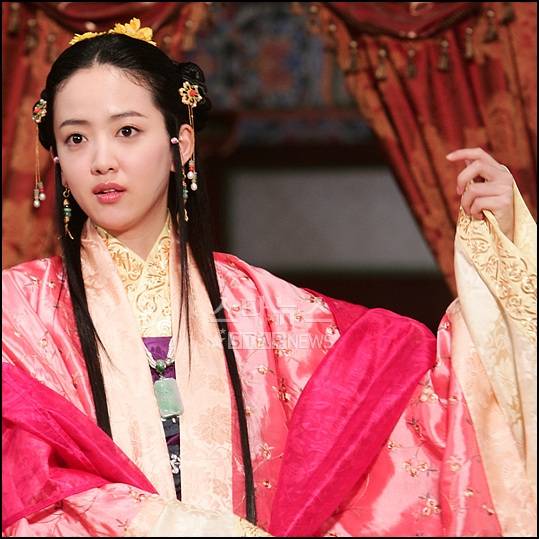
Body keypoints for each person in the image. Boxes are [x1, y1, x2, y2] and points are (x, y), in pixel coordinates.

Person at [2, 18, 536, 538]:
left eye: (127, 131)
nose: (101, 160)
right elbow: (21, 481)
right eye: (75, 138)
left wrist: (504, 250)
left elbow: (417, 410)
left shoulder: (261, 305)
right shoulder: (16, 313)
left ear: (180, 143)